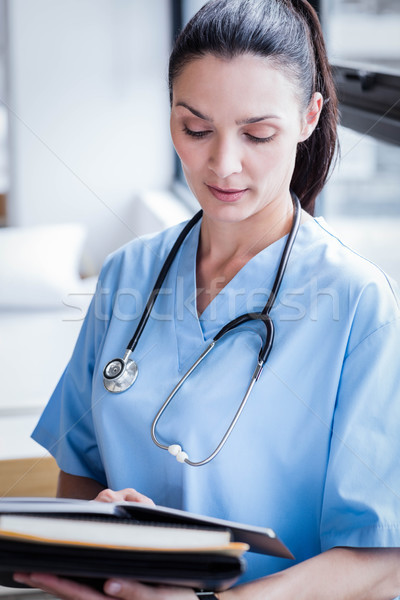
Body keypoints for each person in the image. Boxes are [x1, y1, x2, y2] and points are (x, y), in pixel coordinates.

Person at [14, 0, 400, 598]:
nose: (223, 164)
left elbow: (381, 559)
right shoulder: (127, 274)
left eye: (258, 133)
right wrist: (105, 530)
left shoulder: (358, 303)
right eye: (195, 129)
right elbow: (79, 478)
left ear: (308, 117)